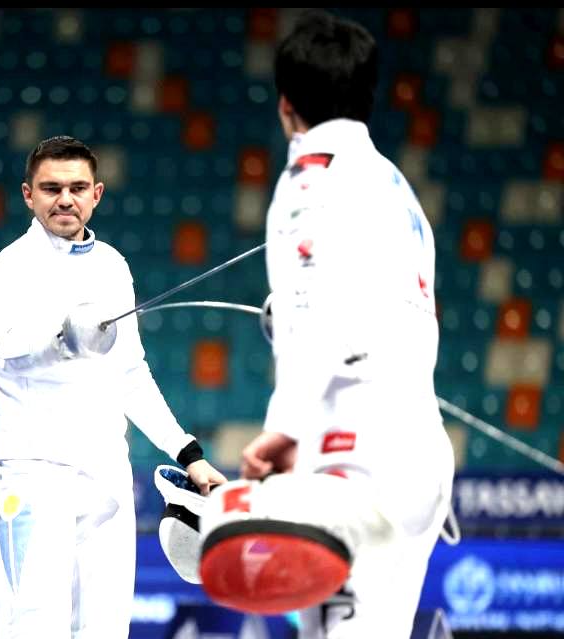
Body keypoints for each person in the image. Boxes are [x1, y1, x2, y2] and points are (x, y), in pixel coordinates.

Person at [236, 10, 455, 638]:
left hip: (354, 452)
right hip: (419, 449)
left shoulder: (311, 177)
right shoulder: (397, 186)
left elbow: (320, 312)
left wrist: (283, 429)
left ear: (286, 106)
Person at [0, 135, 227, 638]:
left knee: (107, 627)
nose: (65, 199)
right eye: (51, 188)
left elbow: (130, 372)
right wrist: (65, 337)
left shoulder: (111, 265)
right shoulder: (11, 268)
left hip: (107, 469)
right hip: (35, 471)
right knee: (38, 625)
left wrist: (188, 453)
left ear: (97, 194)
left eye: (77, 188)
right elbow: (10, 351)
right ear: (28, 195)